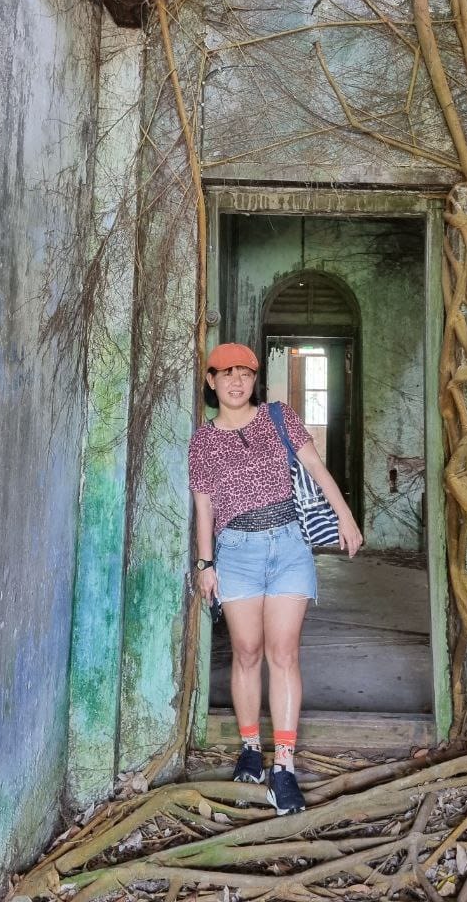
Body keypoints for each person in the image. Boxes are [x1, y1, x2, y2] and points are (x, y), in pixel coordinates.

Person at [189, 341, 363, 815]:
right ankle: (250, 749)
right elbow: (204, 508)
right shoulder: (203, 441)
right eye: (226, 373)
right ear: (211, 381)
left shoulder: (278, 416)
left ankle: (283, 768)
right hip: (236, 553)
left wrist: (345, 517)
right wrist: (205, 565)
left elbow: (315, 467)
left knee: (282, 654)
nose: (236, 381)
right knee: (246, 653)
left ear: (254, 379)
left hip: (288, 546)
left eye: (245, 372)